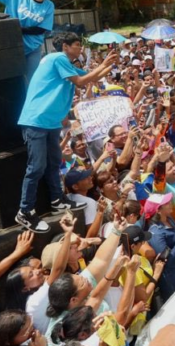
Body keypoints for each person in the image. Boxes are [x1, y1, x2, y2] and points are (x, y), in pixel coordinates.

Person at [16, 33, 118, 231]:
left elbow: (91, 77)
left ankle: (57, 199)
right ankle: (25, 211)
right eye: (78, 44)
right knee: (36, 167)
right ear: (65, 46)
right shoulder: (58, 58)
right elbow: (80, 81)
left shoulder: (66, 64)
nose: (80, 48)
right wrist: (104, 63)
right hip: (37, 120)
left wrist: (109, 64)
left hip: (51, 122)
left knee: (54, 163)